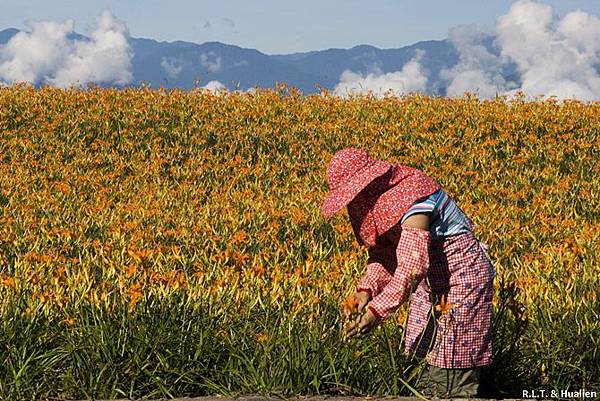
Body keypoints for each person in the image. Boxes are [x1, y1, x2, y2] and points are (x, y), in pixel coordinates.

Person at [321, 147, 496, 399]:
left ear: (370, 182)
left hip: (462, 283)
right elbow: (384, 255)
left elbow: (412, 267)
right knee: (418, 363)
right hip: (430, 287)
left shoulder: (413, 197)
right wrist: (364, 292)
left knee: (449, 372)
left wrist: (375, 312)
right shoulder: (379, 203)